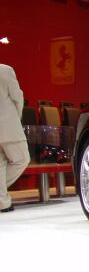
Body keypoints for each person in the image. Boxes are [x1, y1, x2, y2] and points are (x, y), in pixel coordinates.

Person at [0, 64, 31, 212]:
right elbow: (18, 97)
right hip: (7, 124)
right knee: (22, 159)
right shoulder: (5, 70)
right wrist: (17, 118)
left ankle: (2, 201)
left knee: (0, 164)